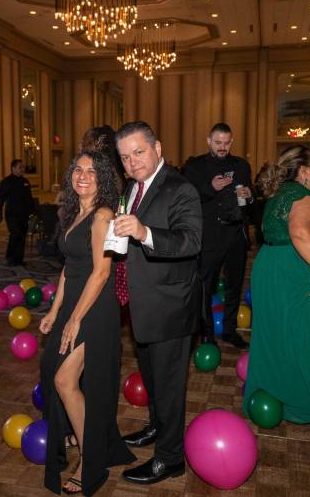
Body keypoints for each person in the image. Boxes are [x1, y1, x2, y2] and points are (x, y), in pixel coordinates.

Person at [39, 151, 135, 495]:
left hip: (95, 308)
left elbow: (101, 272)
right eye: (78, 170)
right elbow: (69, 268)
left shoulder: (102, 216)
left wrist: (75, 319)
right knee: (56, 374)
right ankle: (90, 442)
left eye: (92, 171)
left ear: (103, 179)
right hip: (74, 303)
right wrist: (55, 311)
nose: (83, 176)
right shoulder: (73, 213)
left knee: (64, 380)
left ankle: (90, 460)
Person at [112, 121, 203, 485]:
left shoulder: (181, 188)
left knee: (168, 386)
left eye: (138, 152)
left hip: (170, 306)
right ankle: (156, 427)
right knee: (152, 377)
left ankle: (170, 458)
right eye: (124, 157)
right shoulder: (133, 187)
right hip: (143, 303)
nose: (132, 162)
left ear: (158, 148)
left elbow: (190, 241)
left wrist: (143, 232)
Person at [244, 145, 310, 423]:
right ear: (305, 171)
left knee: (278, 335)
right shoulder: (302, 196)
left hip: (274, 269)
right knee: (306, 336)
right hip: (298, 274)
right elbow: (299, 232)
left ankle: (277, 391)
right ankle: (308, 401)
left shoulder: (279, 195)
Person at [183, 122, 253, 348]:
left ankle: (230, 330)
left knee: (234, 285)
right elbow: (186, 199)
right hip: (210, 236)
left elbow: (249, 200)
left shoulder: (241, 165)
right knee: (206, 286)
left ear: (232, 142)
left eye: (226, 143)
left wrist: (249, 196)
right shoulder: (195, 167)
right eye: (217, 142)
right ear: (208, 141)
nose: (222, 147)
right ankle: (207, 333)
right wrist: (210, 187)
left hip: (236, 234)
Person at [0, 158, 35, 266]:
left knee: (22, 236)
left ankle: (19, 259)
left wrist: (33, 211)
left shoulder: (25, 182)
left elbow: (29, 198)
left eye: (23, 167)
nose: (22, 169)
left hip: (24, 214)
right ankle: (10, 257)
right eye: (20, 167)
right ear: (13, 168)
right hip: (12, 214)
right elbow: (1, 199)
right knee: (15, 234)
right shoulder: (6, 182)